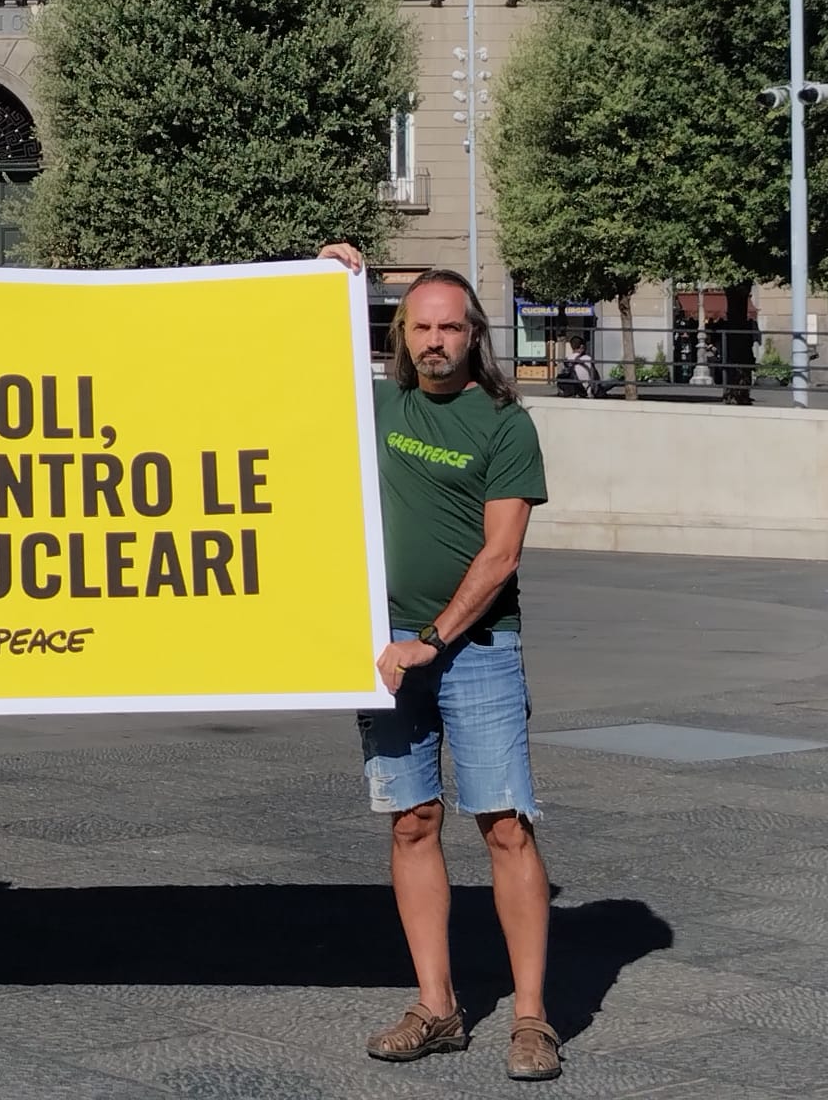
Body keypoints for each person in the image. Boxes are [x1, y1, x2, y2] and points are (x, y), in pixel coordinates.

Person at [319, 244, 560, 1083]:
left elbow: (501, 557)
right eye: (419, 327)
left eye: (449, 327)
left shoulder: (504, 422)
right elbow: (291, 367)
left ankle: (531, 1018)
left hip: (478, 651)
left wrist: (436, 638)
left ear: (473, 335)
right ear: (402, 334)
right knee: (412, 822)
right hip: (386, 654)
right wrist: (324, 280)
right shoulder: (377, 408)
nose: (434, 341)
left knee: (503, 824)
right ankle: (438, 1006)